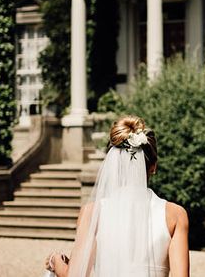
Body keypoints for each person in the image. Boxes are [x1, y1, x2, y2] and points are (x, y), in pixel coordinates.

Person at [45, 115, 190, 277]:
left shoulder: (92, 213)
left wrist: (56, 261)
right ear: (153, 167)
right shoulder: (175, 215)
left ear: (113, 164)